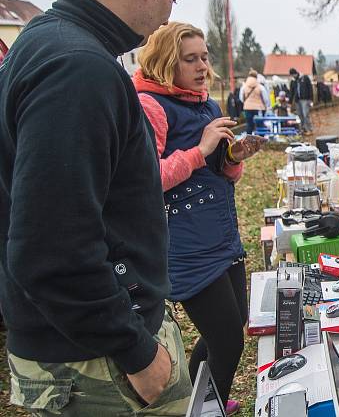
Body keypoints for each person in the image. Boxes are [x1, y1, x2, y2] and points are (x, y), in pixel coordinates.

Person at [0, 0, 195, 415]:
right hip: (97, 364)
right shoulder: (78, 69)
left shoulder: (47, 44)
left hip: (84, 346)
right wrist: (137, 353)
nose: (164, 18)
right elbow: (50, 249)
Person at [135, 22, 260, 415]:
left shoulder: (207, 104)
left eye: (205, 56)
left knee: (233, 322)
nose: (203, 66)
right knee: (227, 340)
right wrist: (202, 148)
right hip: (186, 245)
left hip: (222, 234)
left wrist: (232, 158)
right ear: (166, 62)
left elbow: (220, 170)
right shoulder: (149, 106)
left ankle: (205, 400)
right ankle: (209, 408)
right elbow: (145, 179)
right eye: (191, 59)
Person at [240, 68, 270, 134]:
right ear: (256, 77)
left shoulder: (244, 86)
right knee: (259, 124)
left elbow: (241, 98)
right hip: (258, 108)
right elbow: (265, 98)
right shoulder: (260, 86)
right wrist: (266, 106)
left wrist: (246, 103)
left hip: (247, 108)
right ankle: (260, 139)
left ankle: (249, 140)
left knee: (249, 124)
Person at [289, 67, 314, 134]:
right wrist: (290, 102)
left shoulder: (304, 78)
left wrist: (311, 99)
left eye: (293, 75)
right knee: (300, 115)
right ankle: (304, 129)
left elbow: (310, 88)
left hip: (305, 99)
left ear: (296, 73)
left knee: (305, 114)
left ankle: (309, 129)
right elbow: (291, 92)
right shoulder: (293, 81)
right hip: (298, 100)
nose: (293, 76)